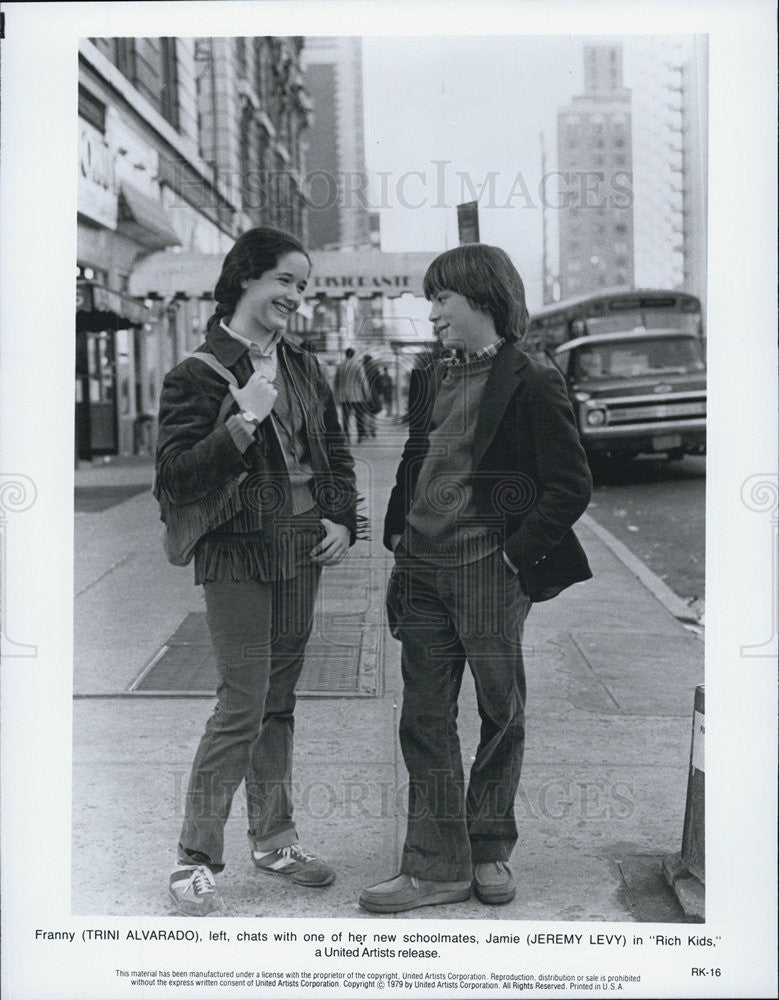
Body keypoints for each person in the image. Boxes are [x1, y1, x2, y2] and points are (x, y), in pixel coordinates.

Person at [359, 243, 593, 914]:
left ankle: (488, 847)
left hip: (489, 571)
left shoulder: (532, 377)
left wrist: (515, 556)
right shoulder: (430, 375)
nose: (430, 312)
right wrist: (400, 533)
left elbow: (569, 484)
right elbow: (416, 454)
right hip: (424, 569)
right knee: (423, 719)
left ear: (482, 301)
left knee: (500, 713)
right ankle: (437, 867)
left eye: (441, 299)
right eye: (430, 299)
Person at [154, 227, 361, 917]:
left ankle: (275, 841)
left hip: (301, 546)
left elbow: (333, 450)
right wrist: (241, 422)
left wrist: (339, 519)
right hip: (238, 549)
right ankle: (194, 857)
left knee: (278, 701)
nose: (295, 298)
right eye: (285, 282)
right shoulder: (195, 372)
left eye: (302, 286)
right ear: (246, 277)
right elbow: (175, 478)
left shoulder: (302, 365)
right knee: (241, 702)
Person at [333, 347, 370, 443]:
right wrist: (367, 394)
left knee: (345, 417)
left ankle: (347, 436)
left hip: (344, 396)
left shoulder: (340, 366)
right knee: (359, 416)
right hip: (357, 396)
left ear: (346, 354)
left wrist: (336, 395)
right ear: (353, 355)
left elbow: (336, 382)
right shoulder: (357, 366)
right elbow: (363, 381)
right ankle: (360, 436)